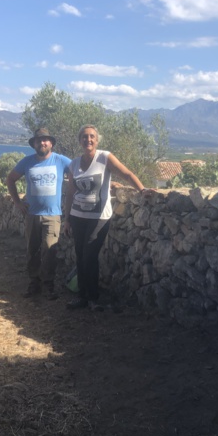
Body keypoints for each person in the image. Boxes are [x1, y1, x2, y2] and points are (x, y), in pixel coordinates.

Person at [63, 124, 152, 311]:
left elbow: (126, 173)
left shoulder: (104, 157)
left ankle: (93, 298)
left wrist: (142, 189)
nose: (88, 140)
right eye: (84, 137)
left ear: (97, 140)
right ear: (80, 141)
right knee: (80, 255)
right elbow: (70, 193)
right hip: (77, 216)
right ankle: (82, 297)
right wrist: (67, 219)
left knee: (89, 255)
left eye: (92, 136)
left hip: (99, 217)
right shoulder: (74, 164)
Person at [6, 128, 71, 300]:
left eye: (45, 140)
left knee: (50, 250)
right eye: (38, 140)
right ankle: (34, 282)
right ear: (34, 144)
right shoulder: (27, 162)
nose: (42, 143)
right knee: (32, 250)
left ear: (51, 143)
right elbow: (10, 179)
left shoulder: (61, 160)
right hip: (32, 214)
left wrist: (108, 182)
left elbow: (81, 173)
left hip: (53, 215)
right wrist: (17, 202)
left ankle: (49, 284)